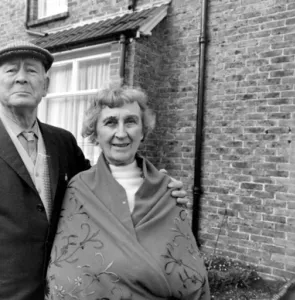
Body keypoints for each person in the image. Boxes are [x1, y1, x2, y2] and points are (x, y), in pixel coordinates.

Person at [0, 41, 187, 300]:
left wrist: (157, 185)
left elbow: (103, 184)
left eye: (31, 71)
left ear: (46, 85)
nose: (21, 78)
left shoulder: (62, 142)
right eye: (11, 71)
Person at [45, 85, 210, 300]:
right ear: (96, 132)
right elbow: (67, 270)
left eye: (131, 121)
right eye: (110, 122)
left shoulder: (166, 190)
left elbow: (189, 272)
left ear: (143, 131)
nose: (121, 133)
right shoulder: (78, 189)